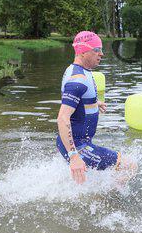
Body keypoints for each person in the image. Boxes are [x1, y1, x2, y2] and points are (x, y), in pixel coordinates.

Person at [56, 31, 137, 185]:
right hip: (78, 146)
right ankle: (109, 196)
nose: (101, 54)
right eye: (96, 50)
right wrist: (74, 156)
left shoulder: (79, 71)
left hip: (78, 142)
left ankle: (95, 194)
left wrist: (93, 103)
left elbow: (75, 100)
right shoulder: (78, 80)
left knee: (89, 182)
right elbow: (62, 118)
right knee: (130, 166)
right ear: (82, 51)